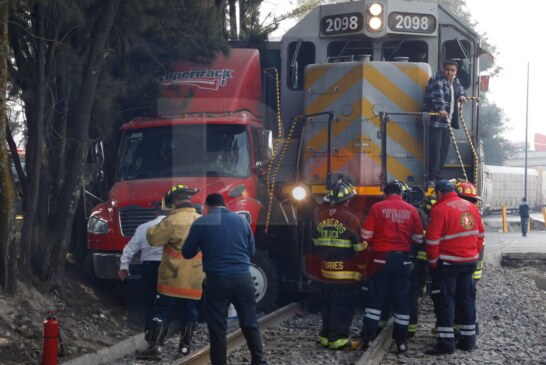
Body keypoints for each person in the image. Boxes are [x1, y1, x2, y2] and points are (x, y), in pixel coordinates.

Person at [182, 193, 267, 365]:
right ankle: (259, 361)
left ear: (207, 206)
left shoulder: (202, 222)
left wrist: (204, 244)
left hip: (217, 280)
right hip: (243, 278)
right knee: (250, 323)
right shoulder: (242, 221)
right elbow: (250, 252)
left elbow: (187, 252)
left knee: (218, 328)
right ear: (224, 205)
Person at [136, 184, 204, 360]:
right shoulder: (200, 219)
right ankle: (185, 349)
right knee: (191, 311)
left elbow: (153, 238)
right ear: (188, 200)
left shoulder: (172, 220)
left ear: (173, 202)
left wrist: (160, 221)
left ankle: (155, 348)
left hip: (172, 278)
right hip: (195, 279)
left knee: (162, 311)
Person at [360, 181, 424, 353]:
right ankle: (401, 341)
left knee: (375, 298)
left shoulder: (377, 208)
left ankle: (367, 338)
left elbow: (365, 235)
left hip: (380, 259)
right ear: (401, 194)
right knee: (401, 301)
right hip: (401, 260)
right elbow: (418, 238)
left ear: (384, 193)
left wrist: (376, 243)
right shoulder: (412, 210)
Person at [425, 180, 484, 355]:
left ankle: (446, 343)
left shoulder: (439, 209)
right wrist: (472, 252)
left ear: (440, 193)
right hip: (469, 262)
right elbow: (480, 234)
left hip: (448, 263)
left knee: (445, 302)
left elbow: (432, 240)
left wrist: (433, 262)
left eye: (436, 194)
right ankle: (468, 341)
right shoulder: (470, 207)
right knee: (466, 300)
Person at [309, 181, 366, 350]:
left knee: (327, 303)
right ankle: (339, 339)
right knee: (342, 305)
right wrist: (362, 267)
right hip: (345, 273)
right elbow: (359, 247)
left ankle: (326, 336)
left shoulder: (321, 216)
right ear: (348, 201)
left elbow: (315, 242)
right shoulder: (351, 218)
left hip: (326, 270)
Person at [118, 212, 165, 342]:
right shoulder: (173, 226)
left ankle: (150, 331)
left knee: (151, 298)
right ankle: (161, 333)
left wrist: (124, 265)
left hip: (148, 266)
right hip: (167, 265)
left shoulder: (144, 227)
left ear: (155, 213)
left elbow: (130, 248)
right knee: (165, 300)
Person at [422, 59, 468, 181]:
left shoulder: (454, 81)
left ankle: (438, 175)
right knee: (435, 151)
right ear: (443, 69)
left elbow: (460, 89)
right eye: (447, 69)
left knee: (443, 151)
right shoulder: (437, 80)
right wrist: (441, 109)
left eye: (452, 70)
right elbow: (438, 96)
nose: (449, 72)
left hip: (447, 123)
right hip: (435, 122)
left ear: (456, 71)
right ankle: (432, 176)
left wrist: (463, 95)